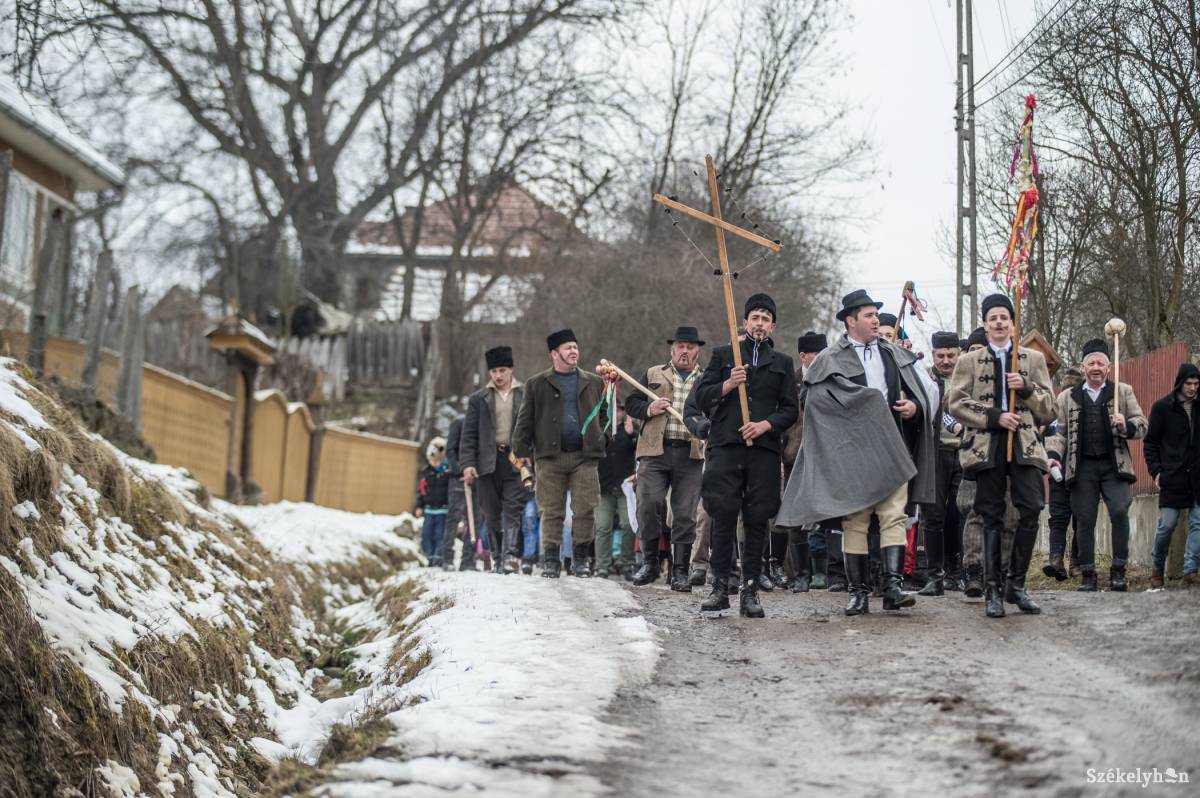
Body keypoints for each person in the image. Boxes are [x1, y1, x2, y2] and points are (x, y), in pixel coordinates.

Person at [778, 289, 936, 616]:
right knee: (856, 520)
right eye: (868, 315)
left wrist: (914, 407)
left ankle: (892, 587)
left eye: (876, 314)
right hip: (851, 452)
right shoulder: (829, 359)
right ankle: (858, 592)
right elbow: (815, 404)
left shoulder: (894, 354)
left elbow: (927, 393)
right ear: (851, 321)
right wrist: (855, 408)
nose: (876, 320)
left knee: (895, 515)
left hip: (893, 447)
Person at [948, 293, 1055, 618]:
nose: (998, 322)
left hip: (1024, 446)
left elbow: (1049, 407)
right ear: (985, 323)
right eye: (992, 317)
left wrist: (1025, 387)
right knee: (991, 515)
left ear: (1012, 323)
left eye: (1003, 318)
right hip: (987, 447)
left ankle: (1016, 585)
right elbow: (956, 402)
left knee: (1032, 509)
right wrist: (993, 416)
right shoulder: (969, 361)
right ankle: (992, 590)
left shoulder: (1032, 360)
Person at [692, 294, 798, 617]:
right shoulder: (724, 356)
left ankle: (750, 590)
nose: (760, 323)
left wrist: (765, 425)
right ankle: (719, 586)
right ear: (745, 322)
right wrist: (728, 383)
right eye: (755, 317)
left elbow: (791, 409)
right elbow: (701, 396)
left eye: (766, 318)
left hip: (762, 452)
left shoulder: (782, 364)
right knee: (722, 515)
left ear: (773, 326)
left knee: (756, 520)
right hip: (725, 447)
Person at [1046, 339, 1147, 592]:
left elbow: (1142, 423)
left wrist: (1126, 425)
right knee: (1085, 518)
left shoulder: (1122, 391)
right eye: (1091, 363)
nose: (1096, 367)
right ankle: (1088, 573)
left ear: (1108, 367)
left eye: (1100, 363)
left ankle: (1118, 570)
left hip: (1114, 465)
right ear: (1083, 368)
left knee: (1120, 511)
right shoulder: (1068, 397)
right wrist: (1053, 455)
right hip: (1082, 468)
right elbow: (1059, 432)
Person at [513, 329, 609, 578]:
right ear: (554, 354)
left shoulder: (594, 382)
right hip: (548, 456)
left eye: (575, 347)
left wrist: (602, 438)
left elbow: (605, 414)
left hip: (584, 456)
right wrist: (520, 449)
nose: (574, 351)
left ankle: (580, 560)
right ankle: (551, 560)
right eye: (568, 348)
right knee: (551, 509)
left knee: (585, 508)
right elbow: (525, 420)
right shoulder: (536, 384)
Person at [625, 326, 707, 591]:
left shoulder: (706, 379)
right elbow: (631, 404)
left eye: (690, 347)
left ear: (697, 351)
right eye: (680, 346)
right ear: (672, 350)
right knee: (648, 504)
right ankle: (649, 563)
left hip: (691, 452)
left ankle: (680, 571)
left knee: (684, 513)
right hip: (654, 451)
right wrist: (649, 408)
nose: (685, 351)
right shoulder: (652, 374)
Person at [461, 345, 529, 574]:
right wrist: (468, 464)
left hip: (516, 460)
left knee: (512, 509)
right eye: (493, 371)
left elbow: (534, 429)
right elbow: (469, 435)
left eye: (502, 370)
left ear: (511, 370)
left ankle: (510, 556)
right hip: (487, 463)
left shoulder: (525, 394)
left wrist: (532, 456)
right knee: (491, 513)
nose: (498, 376)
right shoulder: (478, 399)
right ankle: (498, 556)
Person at [1142, 363, 1200, 588]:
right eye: (1188, 383)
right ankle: (1157, 569)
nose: (1192, 388)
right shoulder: (1162, 408)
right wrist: (1156, 470)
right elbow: (1150, 443)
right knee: (1167, 525)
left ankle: (1190, 571)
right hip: (1172, 477)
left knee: (1198, 523)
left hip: (1197, 477)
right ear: (1179, 382)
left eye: (1196, 384)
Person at [917, 331, 965, 596]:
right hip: (934, 454)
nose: (946, 361)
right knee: (933, 516)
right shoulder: (926, 379)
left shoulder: (967, 379)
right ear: (933, 355)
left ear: (958, 354)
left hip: (963, 453)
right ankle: (935, 575)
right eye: (941, 356)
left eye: (951, 355)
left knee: (956, 515)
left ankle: (955, 572)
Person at [595, 407, 638, 578]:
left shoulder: (630, 430)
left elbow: (641, 448)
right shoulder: (599, 429)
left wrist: (632, 435)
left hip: (624, 488)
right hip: (604, 486)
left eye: (619, 410)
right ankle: (602, 565)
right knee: (602, 526)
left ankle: (626, 563)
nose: (616, 413)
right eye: (613, 410)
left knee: (628, 525)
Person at [440, 415, 477, 571]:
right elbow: (450, 449)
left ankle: (468, 560)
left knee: (474, 520)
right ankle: (447, 559)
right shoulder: (459, 422)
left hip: (478, 479)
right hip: (458, 479)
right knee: (453, 518)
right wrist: (460, 470)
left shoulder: (484, 426)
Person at [415, 437, 450, 567]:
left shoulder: (447, 473)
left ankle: (438, 557)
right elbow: (421, 491)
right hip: (429, 510)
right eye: (432, 461)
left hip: (443, 510)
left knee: (439, 534)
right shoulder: (427, 473)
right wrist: (419, 506)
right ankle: (429, 556)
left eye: (437, 461)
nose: (434, 464)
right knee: (426, 534)